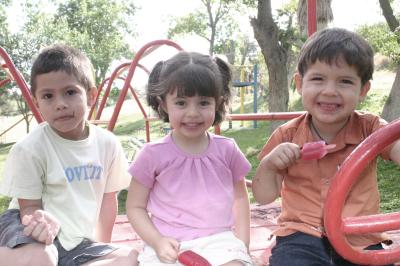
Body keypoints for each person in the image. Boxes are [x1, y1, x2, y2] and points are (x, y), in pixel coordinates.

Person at [252, 27, 400, 266]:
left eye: (344, 81)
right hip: (301, 236)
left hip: (359, 236)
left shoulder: (370, 128)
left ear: (362, 90)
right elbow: (264, 196)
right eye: (318, 79)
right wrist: (270, 165)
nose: (330, 91)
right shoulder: (287, 135)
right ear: (300, 83)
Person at [0, 44, 138, 266]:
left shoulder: (108, 144)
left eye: (70, 92)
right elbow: (28, 207)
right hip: (28, 227)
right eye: (48, 96)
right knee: (42, 257)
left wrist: (100, 247)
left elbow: (107, 201)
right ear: (37, 103)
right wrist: (39, 222)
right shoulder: (30, 148)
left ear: (91, 96)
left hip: (74, 241)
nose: (60, 104)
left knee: (128, 258)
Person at [126, 51, 253, 265]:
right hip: (169, 243)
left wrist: (242, 246)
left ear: (218, 102)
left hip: (219, 241)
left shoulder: (227, 149)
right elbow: (135, 207)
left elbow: (240, 199)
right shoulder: (152, 154)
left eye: (203, 103)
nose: (193, 113)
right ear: (164, 104)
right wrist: (157, 241)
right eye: (181, 103)